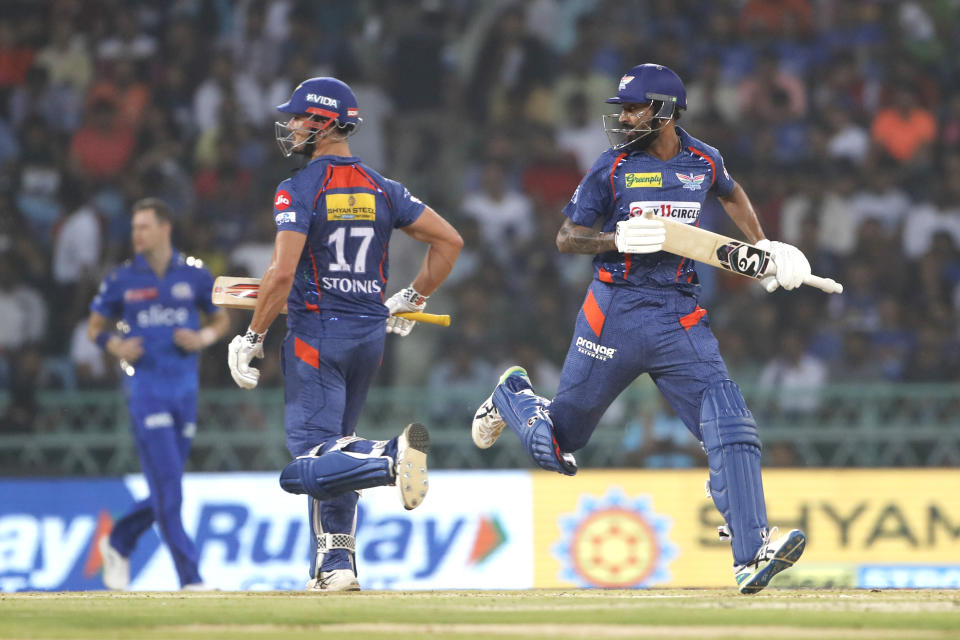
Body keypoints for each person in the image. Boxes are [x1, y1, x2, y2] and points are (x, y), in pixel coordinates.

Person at [472, 64, 809, 594]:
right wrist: (616, 241)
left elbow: (732, 193)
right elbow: (566, 238)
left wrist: (761, 246)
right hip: (614, 312)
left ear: (667, 112)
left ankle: (752, 552)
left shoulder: (704, 160)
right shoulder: (611, 168)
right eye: (622, 109)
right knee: (558, 445)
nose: (624, 118)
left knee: (730, 424)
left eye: (634, 109)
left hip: (679, 314)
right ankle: (512, 396)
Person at [226, 77, 462, 592]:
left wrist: (252, 336)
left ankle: (390, 456)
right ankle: (336, 566)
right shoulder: (383, 187)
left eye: (297, 117)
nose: (289, 127)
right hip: (369, 336)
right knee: (337, 455)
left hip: (316, 334)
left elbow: (281, 275)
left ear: (324, 123)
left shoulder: (299, 187)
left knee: (305, 467)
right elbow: (449, 240)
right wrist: (414, 296)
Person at [88, 198, 230, 590]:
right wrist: (116, 346)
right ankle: (191, 578)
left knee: (167, 488)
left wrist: (202, 336)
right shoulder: (122, 279)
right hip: (146, 389)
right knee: (170, 487)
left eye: (143, 227)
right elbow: (95, 327)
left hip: (184, 389)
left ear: (165, 228)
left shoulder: (195, 276)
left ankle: (118, 542)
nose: (136, 235)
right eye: (134, 228)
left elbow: (221, 317)